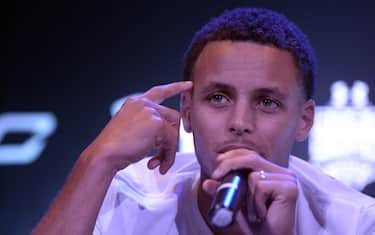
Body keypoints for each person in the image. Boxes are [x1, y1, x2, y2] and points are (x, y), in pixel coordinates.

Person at [32, 7, 375, 235]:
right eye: (218, 98)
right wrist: (97, 159)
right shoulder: (128, 196)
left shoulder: (356, 222)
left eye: (267, 102)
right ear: (187, 111)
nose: (240, 122)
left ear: (304, 120)